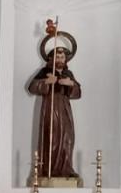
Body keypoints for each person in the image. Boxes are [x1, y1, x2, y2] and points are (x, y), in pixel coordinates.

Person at [26, 21, 81, 181]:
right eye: (57, 55)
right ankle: (49, 169)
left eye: (63, 56)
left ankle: (66, 167)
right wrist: (45, 83)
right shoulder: (45, 71)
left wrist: (70, 84)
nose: (60, 58)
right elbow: (32, 87)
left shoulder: (68, 73)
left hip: (64, 108)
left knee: (67, 137)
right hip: (50, 107)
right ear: (51, 58)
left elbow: (77, 92)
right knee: (52, 137)